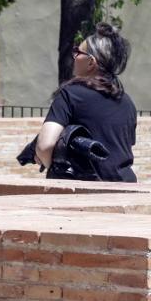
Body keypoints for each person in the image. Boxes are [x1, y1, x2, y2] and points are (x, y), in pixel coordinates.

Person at [35, 23, 137, 182]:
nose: (74, 56)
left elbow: (45, 146)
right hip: (125, 188)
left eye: (78, 52)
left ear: (91, 62)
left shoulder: (70, 94)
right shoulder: (127, 102)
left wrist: (53, 166)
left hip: (84, 191)